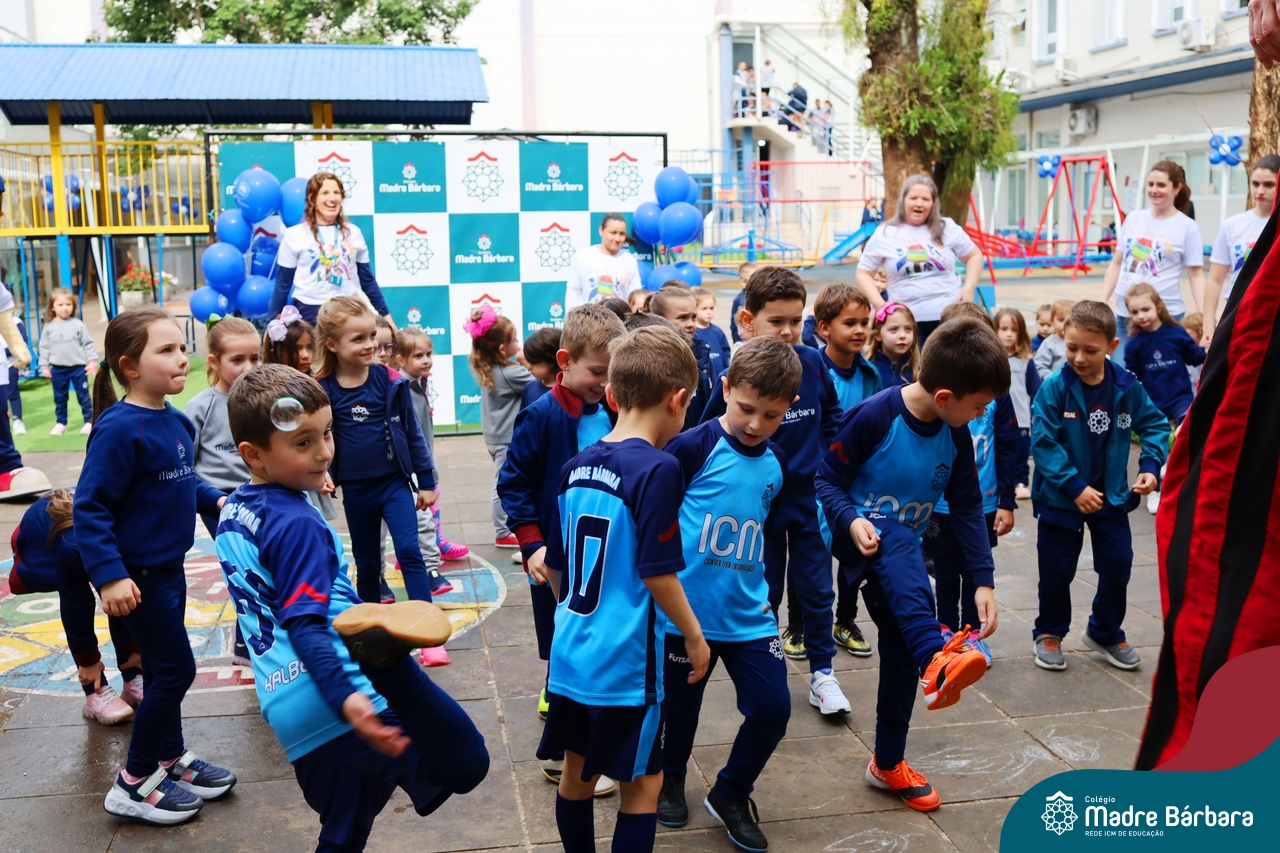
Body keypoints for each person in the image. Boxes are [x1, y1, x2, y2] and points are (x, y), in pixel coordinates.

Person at [216, 364, 489, 852]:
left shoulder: (236, 509)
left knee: (346, 827)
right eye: (303, 443)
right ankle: (391, 666)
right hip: (344, 687)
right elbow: (304, 622)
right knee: (467, 762)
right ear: (253, 454)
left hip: (287, 706)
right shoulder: (295, 523)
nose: (324, 452)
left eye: (327, 433)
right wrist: (347, 696)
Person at [814, 317, 1002, 811]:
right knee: (898, 539)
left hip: (897, 557)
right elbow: (826, 480)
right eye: (978, 406)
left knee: (901, 642)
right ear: (945, 397)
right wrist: (850, 519)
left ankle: (888, 762)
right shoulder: (874, 416)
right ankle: (935, 657)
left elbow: (967, 507)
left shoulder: (955, 435)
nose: (983, 414)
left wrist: (983, 581)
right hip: (851, 530)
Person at [538, 325, 710, 853]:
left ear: (612, 396)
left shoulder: (575, 466)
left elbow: (556, 568)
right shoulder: (659, 468)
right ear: (678, 401)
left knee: (577, 775)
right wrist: (694, 636)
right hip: (626, 668)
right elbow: (658, 573)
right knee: (644, 786)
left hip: (571, 654)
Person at [75, 306, 235, 825]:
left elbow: (186, 480)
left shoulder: (176, 420)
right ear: (129, 366)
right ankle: (133, 781)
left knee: (167, 669)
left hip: (169, 569)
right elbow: (90, 507)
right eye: (166, 350)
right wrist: (109, 575)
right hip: (136, 579)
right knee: (175, 670)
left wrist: (219, 501)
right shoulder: (119, 429)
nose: (182, 358)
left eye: (182, 348)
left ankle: (170, 758)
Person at [656, 337, 799, 851]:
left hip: (749, 617)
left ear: (788, 409)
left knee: (773, 709)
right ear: (725, 388)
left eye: (772, 415)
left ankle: (731, 792)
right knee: (679, 710)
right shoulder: (690, 447)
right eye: (746, 408)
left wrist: (771, 596)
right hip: (684, 616)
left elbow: (771, 536)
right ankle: (670, 777)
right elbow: (654, 526)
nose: (756, 424)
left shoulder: (777, 463)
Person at [699, 267, 851, 716]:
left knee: (817, 587)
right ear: (748, 320)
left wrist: (830, 462)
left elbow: (833, 414)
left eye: (795, 321)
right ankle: (765, 668)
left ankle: (823, 673)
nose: (787, 331)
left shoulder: (813, 362)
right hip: (755, 505)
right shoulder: (737, 372)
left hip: (808, 499)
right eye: (776, 321)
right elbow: (707, 431)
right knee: (764, 589)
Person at [497, 304, 625, 795]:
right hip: (557, 559)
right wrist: (533, 544)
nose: (605, 382)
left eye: (613, 373)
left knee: (594, 645)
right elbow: (514, 484)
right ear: (565, 361)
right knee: (565, 647)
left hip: (605, 554)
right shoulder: (542, 415)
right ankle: (561, 755)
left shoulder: (617, 409)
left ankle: (590, 741)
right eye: (597, 372)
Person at [1029, 302, 1169, 673]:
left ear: (1111, 345)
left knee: (1119, 564)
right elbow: (1043, 443)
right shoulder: (1054, 388)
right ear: (1063, 337)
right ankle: (1049, 631)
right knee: (1056, 570)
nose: (1079, 357)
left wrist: (1150, 466)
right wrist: (1074, 486)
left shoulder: (1126, 385)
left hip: (1111, 496)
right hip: (1061, 499)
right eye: (1072, 347)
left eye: (1090, 350)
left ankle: (1104, 631)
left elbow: (1155, 425)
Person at [314, 297, 444, 660]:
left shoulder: (390, 381)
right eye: (358, 338)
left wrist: (427, 481)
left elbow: (413, 434)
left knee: (409, 551)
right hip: (356, 491)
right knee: (368, 563)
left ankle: (428, 632)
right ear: (332, 344)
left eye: (372, 335)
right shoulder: (322, 389)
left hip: (393, 484)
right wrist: (322, 473)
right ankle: (367, 636)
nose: (370, 344)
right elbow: (317, 438)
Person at [927, 303, 1020, 667]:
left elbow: (1009, 446)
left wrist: (1007, 501)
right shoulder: (939, 396)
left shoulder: (995, 395)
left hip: (983, 503)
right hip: (939, 506)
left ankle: (970, 634)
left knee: (975, 569)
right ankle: (945, 629)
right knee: (945, 569)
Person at [10, 489, 142, 725]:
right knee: (82, 591)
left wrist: (138, 650)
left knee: (123, 594)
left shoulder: (138, 533)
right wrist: (88, 661)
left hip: (94, 536)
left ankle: (133, 676)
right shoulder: (72, 546)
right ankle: (94, 692)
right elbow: (76, 607)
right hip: (46, 537)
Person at [185, 316, 260, 664]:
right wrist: (211, 499)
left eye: (255, 358)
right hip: (218, 501)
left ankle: (264, 629)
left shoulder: (262, 400)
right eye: (238, 359)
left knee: (267, 562)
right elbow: (184, 466)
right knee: (243, 565)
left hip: (257, 493)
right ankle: (246, 639)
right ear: (214, 362)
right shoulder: (200, 406)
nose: (249, 367)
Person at [814, 283, 883, 658]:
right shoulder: (813, 370)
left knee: (856, 552)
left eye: (864, 322)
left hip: (858, 481)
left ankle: (845, 619)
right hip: (820, 479)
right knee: (813, 556)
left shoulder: (870, 374)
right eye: (849, 323)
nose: (859, 330)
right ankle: (802, 625)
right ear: (824, 327)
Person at [1101, 161, 1206, 367]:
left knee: (1159, 374)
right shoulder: (1134, 218)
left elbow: (1196, 275)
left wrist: (1205, 316)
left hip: (1164, 317)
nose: (1154, 190)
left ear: (1177, 188)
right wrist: (1103, 300)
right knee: (1121, 373)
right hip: (1126, 314)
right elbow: (1117, 263)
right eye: (1150, 184)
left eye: (1161, 185)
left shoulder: (1187, 227)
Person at [856, 175, 984, 342]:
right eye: (914, 198)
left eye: (925, 199)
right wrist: (881, 305)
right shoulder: (885, 232)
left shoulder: (947, 227)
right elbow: (863, 272)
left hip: (950, 317)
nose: (919, 203)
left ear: (933, 203)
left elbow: (974, 255)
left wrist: (969, 287)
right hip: (905, 323)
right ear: (903, 200)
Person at [1122, 284, 1206, 517]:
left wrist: (1209, 348)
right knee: (1154, 445)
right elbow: (1133, 375)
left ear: (1158, 307)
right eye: (1135, 312)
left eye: (1145, 309)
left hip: (1180, 397)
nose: (1141, 316)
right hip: (1153, 401)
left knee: (1186, 431)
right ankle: (1155, 489)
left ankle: (1184, 480)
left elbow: (1195, 357)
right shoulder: (1135, 343)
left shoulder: (1175, 333)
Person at [270, 172, 392, 327]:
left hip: (348, 311)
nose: (332, 198)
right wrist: (273, 322)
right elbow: (283, 284)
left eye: (336, 193)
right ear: (312, 199)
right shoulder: (294, 234)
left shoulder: (353, 232)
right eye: (325, 193)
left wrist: (387, 317)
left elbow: (367, 281)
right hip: (309, 313)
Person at [388, 327, 454, 588]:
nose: (426, 360)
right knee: (421, 520)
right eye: (418, 356)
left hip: (422, 465)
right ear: (401, 360)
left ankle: (424, 558)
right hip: (410, 468)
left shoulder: (418, 383)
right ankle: (430, 570)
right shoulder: (402, 387)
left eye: (428, 354)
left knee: (424, 516)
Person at [468, 305, 533, 551]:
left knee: (504, 480)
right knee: (502, 484)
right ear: (502, 349)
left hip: (494, 436)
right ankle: (503, 532)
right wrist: (527, 362)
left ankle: (506, 528)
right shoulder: (511, 373)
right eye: (515, 340)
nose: (519, 344)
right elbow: (540, 382)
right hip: (505, 438)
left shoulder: (490, 367)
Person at [1204, 155, 1280, 343]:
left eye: (1269, 185)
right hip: (1237, 314)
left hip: (1273, 315)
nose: (1260, 191)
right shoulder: (1233, 225)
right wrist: (1208, 327)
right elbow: (1214, 281)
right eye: (1255, 184)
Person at [647, 285, 714, 430]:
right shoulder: (652, 360)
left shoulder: (702, 351)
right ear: (660, 320)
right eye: (683, 318)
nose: (690, 324)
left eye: (693, 317)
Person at [993, 307, 1042, 501]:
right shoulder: (991, 360)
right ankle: (1000, 483)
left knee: (1020, 453)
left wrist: (1035, 414)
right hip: (996, 418)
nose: (1008, 334)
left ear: (1021, 333)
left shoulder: (1026, 361)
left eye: (1014, 330)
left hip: (1021, 418)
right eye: (1004, 329)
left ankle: (1021, 482)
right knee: (999, 452)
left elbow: (1035, 390)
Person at [39, 286, 98, 435]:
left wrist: (92, 361)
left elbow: (87, 344)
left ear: (73, 306)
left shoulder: (78, 325)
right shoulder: (48, 328)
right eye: (60, 304)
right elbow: (44, 347)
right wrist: (44, 365)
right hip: (58, 369)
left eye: (68, 304)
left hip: (78, 368)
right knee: (60, 397)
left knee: (83, 395)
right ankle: (61, 423)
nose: (65, 308)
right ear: (52, 307)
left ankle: (89, 421)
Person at [565, 213, 644, 309]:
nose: (617, 238)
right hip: (589, 317)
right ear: (601, 230)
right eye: (613, 232)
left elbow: (634, 296)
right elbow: (573, 292)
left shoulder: (629, 261)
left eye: (622, 234)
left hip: (620, 317)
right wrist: (572, 317)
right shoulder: (582, 257)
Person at [867, 302, 919, 388]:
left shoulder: (917, 370)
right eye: (894, 329)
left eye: (908, 329)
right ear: (877, 335)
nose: (902, 335)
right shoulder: (868, 367)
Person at [520, 326, 561, 410]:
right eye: (528, 361)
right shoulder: (529, 388)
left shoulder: (571, 391)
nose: (529, 367)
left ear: (552, 359)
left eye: (533, 362)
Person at [1033, 298, 1075, 380]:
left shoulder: (1079, 342)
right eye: (1061, 320)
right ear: (1052, 321)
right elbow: (1039, 366)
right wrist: (1054, 380)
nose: (1065, 324)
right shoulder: (1049, 343)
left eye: (1070, 321)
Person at [692, 287, 732, 372]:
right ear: (694, 309)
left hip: (718, 374)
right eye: (704, 308)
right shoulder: (692, 332)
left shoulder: (718, 332)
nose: (709, 312)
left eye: (711, 308)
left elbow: (726, 352)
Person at [3, 307, 29, 435]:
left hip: (10, 364)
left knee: (13, 393)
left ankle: (17, 420)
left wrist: (5, 353)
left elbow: (21, 342)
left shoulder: (15, 321)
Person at [730, 262, 758, 345]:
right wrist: (738, 343)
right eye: (754, 278)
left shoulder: (763, 296)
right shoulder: (739, 300)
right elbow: (734, 325)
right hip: (745, 341)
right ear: (744, 282)